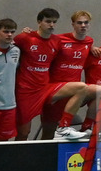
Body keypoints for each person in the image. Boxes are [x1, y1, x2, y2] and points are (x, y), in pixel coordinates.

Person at [13, 8, 92, 141]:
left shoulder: (56, 41)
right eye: (48, 21)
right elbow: (5, 45)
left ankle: (65, 128)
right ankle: (17, 155)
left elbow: (76, 45)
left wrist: (92, 48)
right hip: (26, 90)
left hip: (46, 88)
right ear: (39, 22)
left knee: (83, 88)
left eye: (54, 22)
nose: (51, 25)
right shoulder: (25, 38)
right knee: (24, 132)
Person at [40, 10, 101, 139]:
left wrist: (94, 47)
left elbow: (87, 45)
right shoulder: (59, 39)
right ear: (73, 24)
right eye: (79, 23)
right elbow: (41, 40)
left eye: (86, 23)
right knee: (48, 133)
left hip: (75, 90)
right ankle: (61, 130)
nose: (83, 25)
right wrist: (28, 32)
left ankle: (86, 127)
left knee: (100, 90)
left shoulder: (89, 41)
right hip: (54, 89)